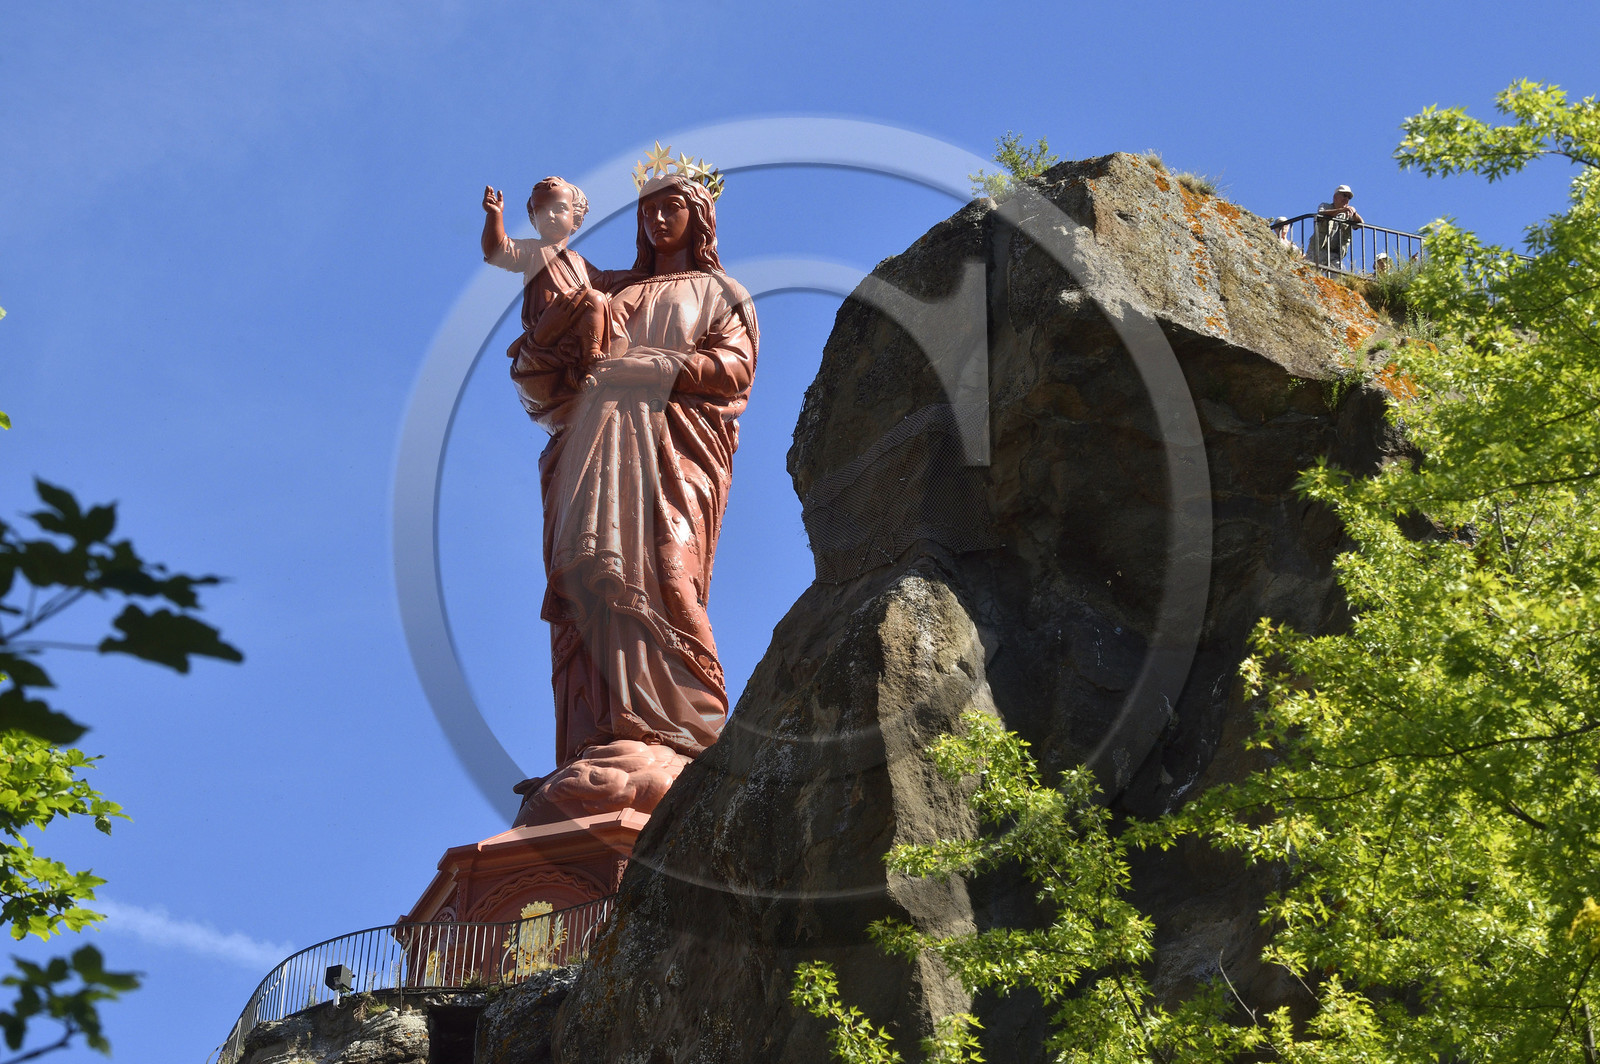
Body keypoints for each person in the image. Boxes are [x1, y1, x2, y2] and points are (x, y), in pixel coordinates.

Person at [508, 166, 757, 818]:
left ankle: (689, 731)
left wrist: (658, 366)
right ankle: (602, 737)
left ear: (699, 215)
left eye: (671, 206)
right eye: (647, 209)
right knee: (589, 575)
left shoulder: (719, 291)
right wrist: (543, 348)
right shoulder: (612, 295)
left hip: (672, 456)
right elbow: (549, 389)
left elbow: (732, 372)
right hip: (590, 452)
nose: (656, 219)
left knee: (666, 576)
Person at [481, 177, 627, 399]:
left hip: (579, 320)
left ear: (575, 218)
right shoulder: (532, 249)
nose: (549, 215)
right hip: (548, 319)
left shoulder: (579, 261)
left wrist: (645, 270)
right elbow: (497, 250)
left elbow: (608, 280)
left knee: (597, 300)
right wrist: (494, 215)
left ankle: (589, 362)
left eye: (558, 209)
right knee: (595, 298)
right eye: (541, 210)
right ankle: (588, 359)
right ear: (533, 218)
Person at [1309, 184, 1364, 268]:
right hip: (1318, 250)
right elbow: (1321, 213)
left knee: (1339, 274)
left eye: (1349, 197)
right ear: (1335, 197)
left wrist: (1354, 213)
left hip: (1335, 254)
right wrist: (1341, 210)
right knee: (1308, 273)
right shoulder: (1325, 206)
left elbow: (1361, 225)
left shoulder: (1348, 214)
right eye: (1344, 195)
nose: (1346, 199)